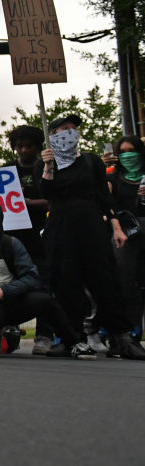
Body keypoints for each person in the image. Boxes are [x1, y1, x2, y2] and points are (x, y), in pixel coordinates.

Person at [35, 114, 145, 359]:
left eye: (73, 128)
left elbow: (104, 198)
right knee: (65, 281)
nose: (70, 132)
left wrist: (116, 226)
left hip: (92, 224)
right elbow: (47, 193)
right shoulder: (45, 162)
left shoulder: (91, 161)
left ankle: (122, 336)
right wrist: (47, 167)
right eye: (64, 129)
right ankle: (71, 337)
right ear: (52, 134)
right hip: (61, 225)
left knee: (105, 278)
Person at [0, 199, 92, 358]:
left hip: (10, 304)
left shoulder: (11, 244)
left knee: (44, 300)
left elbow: (32, 277)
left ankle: (74, 343)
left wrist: (4, 291)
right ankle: (2, 336)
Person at [4, 125, 52, 352]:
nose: (24, 150)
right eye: (19, 146)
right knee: (10, 286)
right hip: (13, 239)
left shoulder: (47, 168)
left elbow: (55, 199)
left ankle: (44, 335)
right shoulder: (6, 171)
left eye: (29, 146)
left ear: (38, 146)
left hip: (41, 237)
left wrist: (29, 204)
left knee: (44, 285)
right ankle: (9, 330)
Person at [108, 134, 145, 341]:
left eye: (132, 151)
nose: (127, 156)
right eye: (122, 152)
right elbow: (106, 202)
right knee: (126, 283)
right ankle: (128, 332)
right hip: (124, 234)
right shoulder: (113, 178)